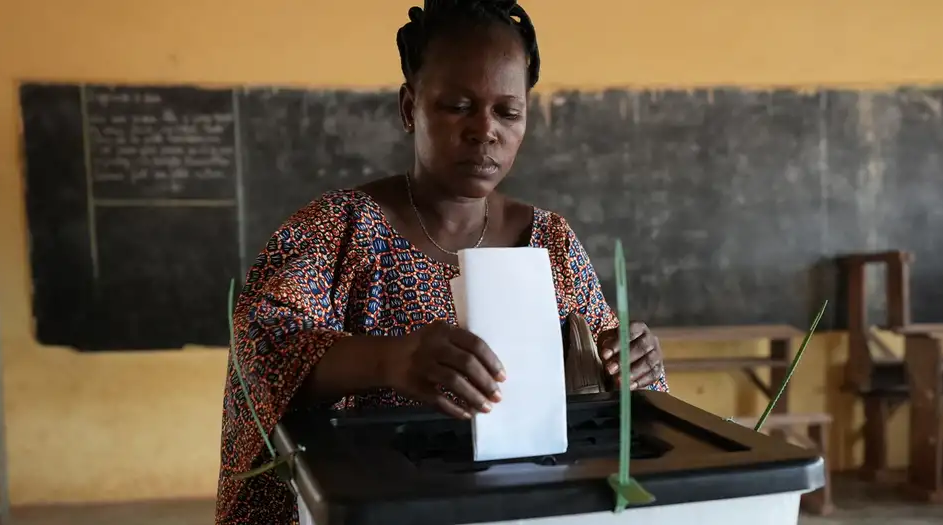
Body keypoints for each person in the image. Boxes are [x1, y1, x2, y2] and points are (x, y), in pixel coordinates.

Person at [215, 1, 670, 523]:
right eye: (457, 105)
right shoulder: (339, 230)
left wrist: (631, 365)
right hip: (380, 506)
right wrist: (389, 360)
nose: (484, 130)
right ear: (410, 108)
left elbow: (606, 383)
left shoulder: (549, 242)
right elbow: (263, 349)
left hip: (524, 507)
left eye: (509, 111)